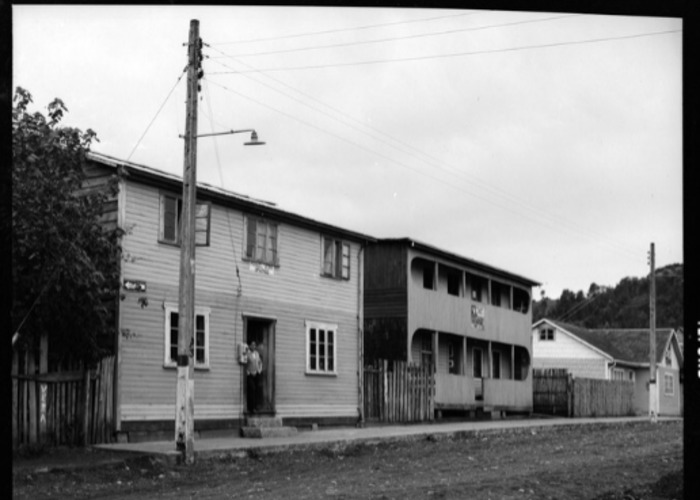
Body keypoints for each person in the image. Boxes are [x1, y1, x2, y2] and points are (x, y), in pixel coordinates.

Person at [246, 342, 262, 413]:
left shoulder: (257, 353)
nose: (254, 346)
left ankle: (256, 407)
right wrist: (248, 372)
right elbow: (245, 363)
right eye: (252, 345)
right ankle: (251, 408)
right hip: (250, 375)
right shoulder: (247, 353)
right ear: (249, 346)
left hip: (256, 374)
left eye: (255, 345)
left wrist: (259, 370)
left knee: (257, 390)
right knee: (252, 389)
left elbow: (260, 362)